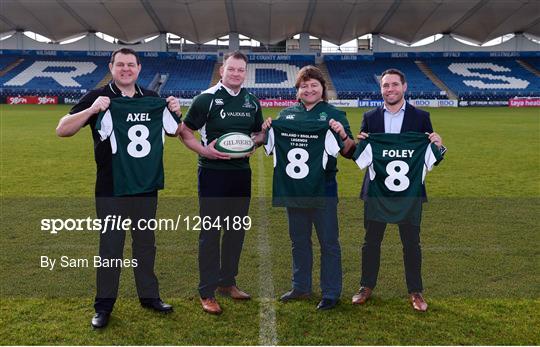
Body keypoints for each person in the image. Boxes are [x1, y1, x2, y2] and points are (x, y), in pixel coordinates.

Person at [56, 48, 181, 328]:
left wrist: (174, 110)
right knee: (110, 247)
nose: (126, 69)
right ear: (111, 67)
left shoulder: (152, 99)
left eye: (131, 65)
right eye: (120, 64)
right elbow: (62, 129)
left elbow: (174, 132)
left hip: (145, 186)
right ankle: (103, 306)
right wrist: (92, 109)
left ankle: (149, 297)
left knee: (145, 245)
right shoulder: (99, 96)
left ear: (139, 68)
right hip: (111, 187)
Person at [352, 68, 446, 312]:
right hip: (376, 191)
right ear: (380, 89)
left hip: (409, 193)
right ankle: (366, 286)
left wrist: (439, 146)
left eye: (394, 84)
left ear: (404, 87)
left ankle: (415, 291)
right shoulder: (370, 117)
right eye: (385, 86)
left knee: (411, 243)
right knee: (371, 241)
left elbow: (430, 157)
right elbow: (360, 156)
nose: (390, 89)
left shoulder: (421, 117)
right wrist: (360, 144)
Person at [262, 65, 355, 310]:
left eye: (314, 85)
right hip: (294, 188)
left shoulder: (334, 114)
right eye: (304, 86)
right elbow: (268, 144)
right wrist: (267, 130)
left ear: (323, 88)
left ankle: (331, 292)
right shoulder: (285, 116)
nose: (309, 89)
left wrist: (343, 135)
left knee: (328, 242)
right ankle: (300, 287)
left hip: (323, 188)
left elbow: (350, 151)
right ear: (298, 90)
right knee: (298, 240)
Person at [178, 51, 264, 315]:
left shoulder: (252, 101)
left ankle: (228, 282)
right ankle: (207, 291)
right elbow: (184, 131)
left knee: (236, 231)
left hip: (241, 174)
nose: (236, 73)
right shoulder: (206, 99)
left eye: (241, 70)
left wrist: (255, 143)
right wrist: (204, 151)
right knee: (211, 233)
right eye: (232, 69)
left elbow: (258, 133)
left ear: (245, 73)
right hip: (213, 175)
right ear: (222, 71)